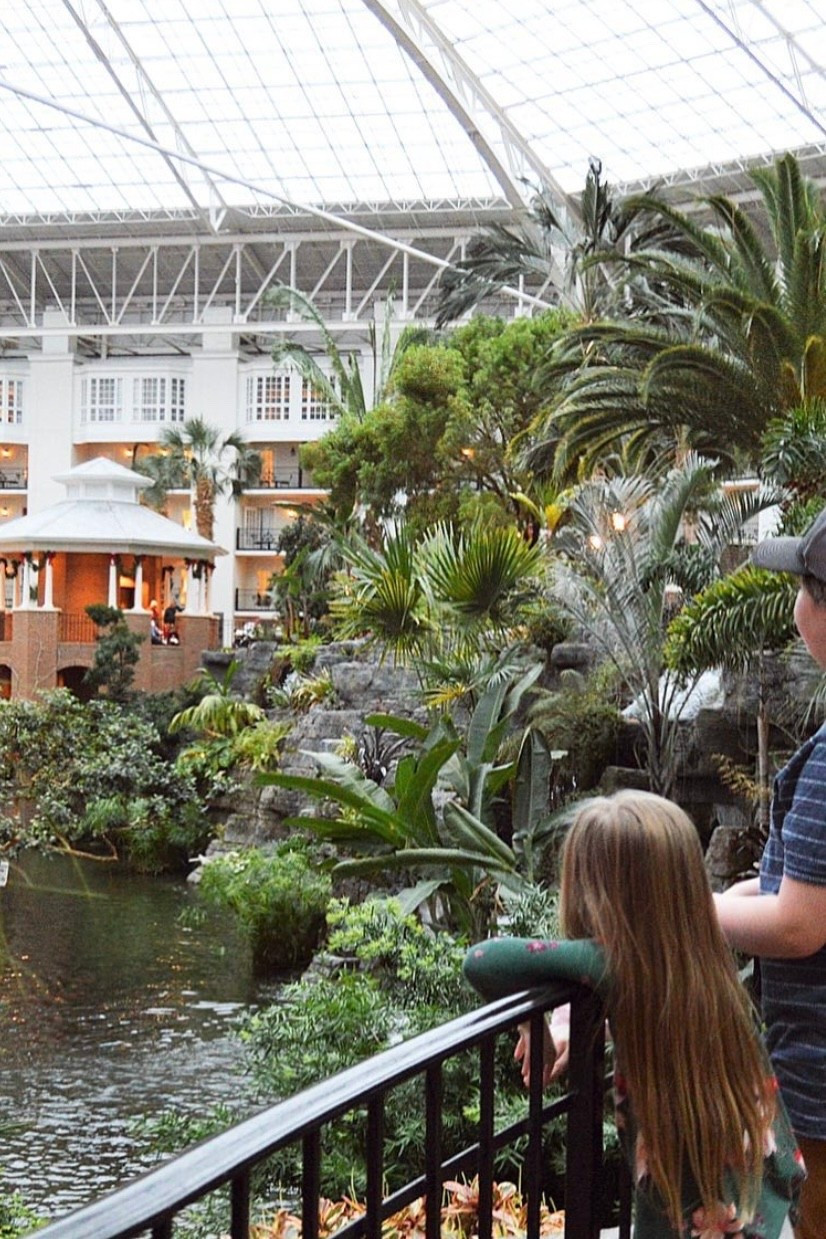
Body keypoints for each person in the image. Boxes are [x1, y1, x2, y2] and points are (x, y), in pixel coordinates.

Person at [463, 790, 803, 1238]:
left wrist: (535, 1025)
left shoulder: (620, 965)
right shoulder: (701, 961)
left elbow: (483, 960)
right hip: (767, 1210)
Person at [715, 508, 826, 1239]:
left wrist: (689, 915)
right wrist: (729, 896)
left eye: (801, 587)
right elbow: (797, 883)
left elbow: (798, 921)